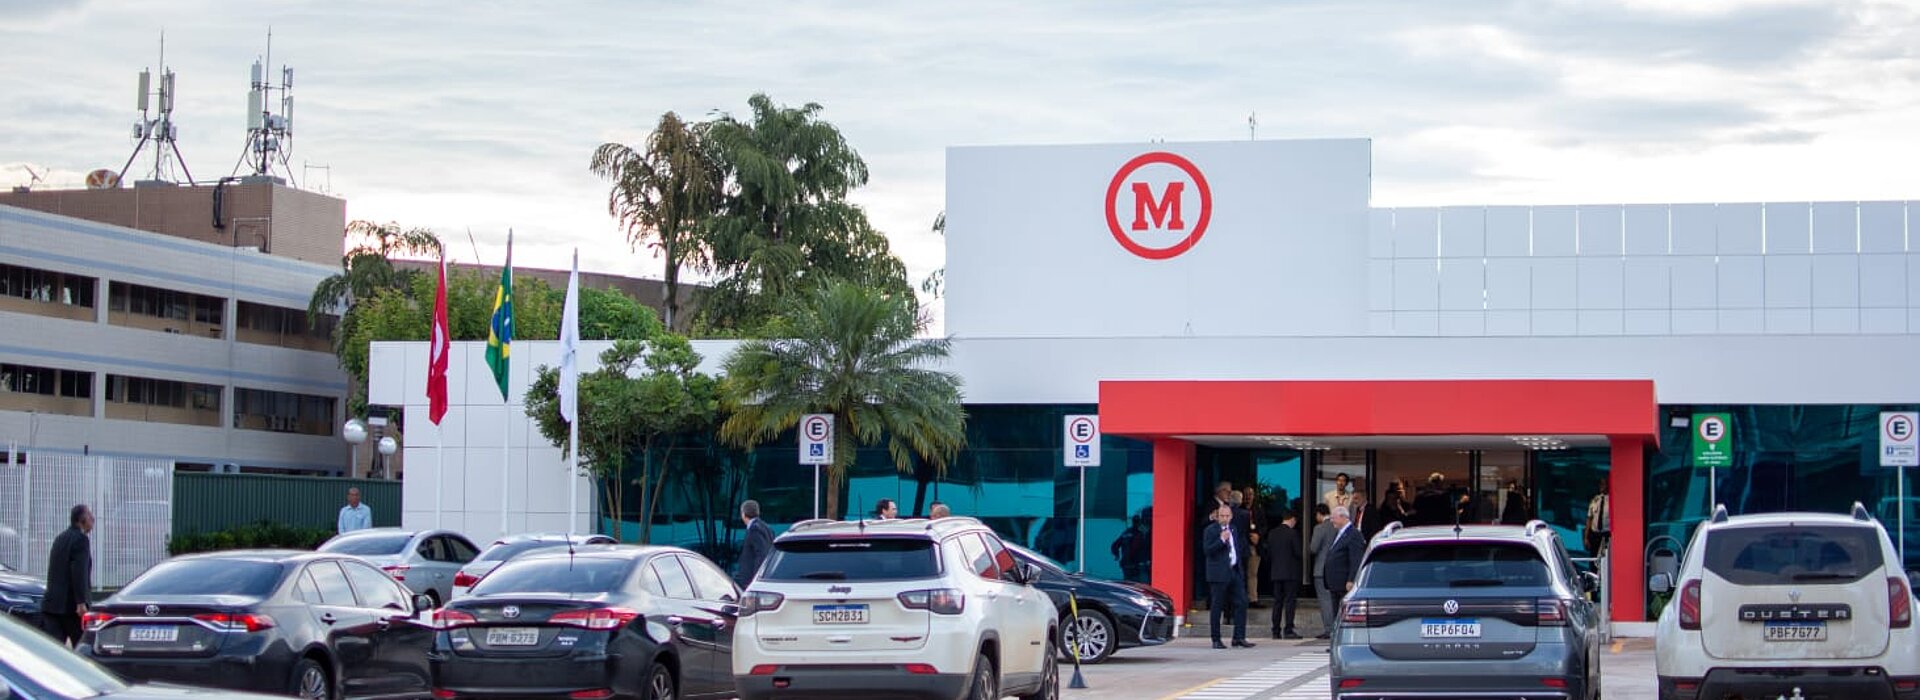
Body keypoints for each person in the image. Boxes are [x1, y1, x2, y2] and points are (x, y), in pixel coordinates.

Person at [1201, 504, 1254, 649]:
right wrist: (1221, 540)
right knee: (1217, 606)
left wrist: (1239, 569)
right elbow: (1207, 550)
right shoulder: (1210, 530)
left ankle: (1239, 637)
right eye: (1222, 516)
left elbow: (1236, 549)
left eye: (1227, 516)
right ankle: (1216, 639)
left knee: (1242, 602)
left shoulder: (1234, 529)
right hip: (1218, 574)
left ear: (1231, 516)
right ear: (1217, 516)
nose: (1225, 519)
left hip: (1234, 571)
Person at [41, 504, 93, 647]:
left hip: (52, 605)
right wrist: (81, 602)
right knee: (82, 648)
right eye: (90, 516)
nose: (93, 519)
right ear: (82, 519)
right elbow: (79, 571)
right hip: (71, 608)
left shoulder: (60, 538)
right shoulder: (81, 540)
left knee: (54, 649)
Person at [1321, 505, 1367, 642]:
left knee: (1343, 613)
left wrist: (1351, 579)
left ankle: (1342, 640)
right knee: (1337, 613)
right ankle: (1337, 641)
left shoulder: (1353, 534)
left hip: (1344, 583)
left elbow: (1356, 559)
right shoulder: (1340, 533)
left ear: (1343, 517)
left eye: (1334, 518)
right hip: (1335, 583)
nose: (1331, 521)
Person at [1266, 511, 1303, 639]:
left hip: (1276, 572)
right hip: (1291, 573)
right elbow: (1298, 552)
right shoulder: (1293, 533)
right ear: (1292, 519)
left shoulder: (1272, 533)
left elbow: (1269, 553)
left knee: (1277, 602)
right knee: (1290, 601)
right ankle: (1288, 629)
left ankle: (1275, 630)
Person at [1308, 504, 1335, 638]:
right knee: (1335, 599)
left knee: (1325, 600)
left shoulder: (1319, 528)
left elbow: (1313, 548)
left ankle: (1329, 629)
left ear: (1319, 514)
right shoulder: (1336, 526)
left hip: (1321, 568)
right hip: (1335, 568)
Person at [734, 500, 774, 587]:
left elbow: (761, 554)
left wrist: (756, 578)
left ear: (743, 514)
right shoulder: (767, 527)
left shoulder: (754, 529)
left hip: (751, 580)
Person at [1229, 490, 1260, 602]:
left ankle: (1231, 598)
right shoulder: (1246, 514)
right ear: (1240, 500)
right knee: (1243, 574)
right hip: (1243, 547)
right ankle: (1242, 598)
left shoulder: (1225, 512)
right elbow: (1249, 530)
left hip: (1229, 546)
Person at [1111, 514, 1149, 581]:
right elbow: (1143, 548)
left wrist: (1117, 555)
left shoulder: (1126, 533)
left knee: (1128, 582)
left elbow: (1115, 545)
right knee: (1138, 583)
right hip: (1136, 565)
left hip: (1127, 564)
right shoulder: (1141, 534)